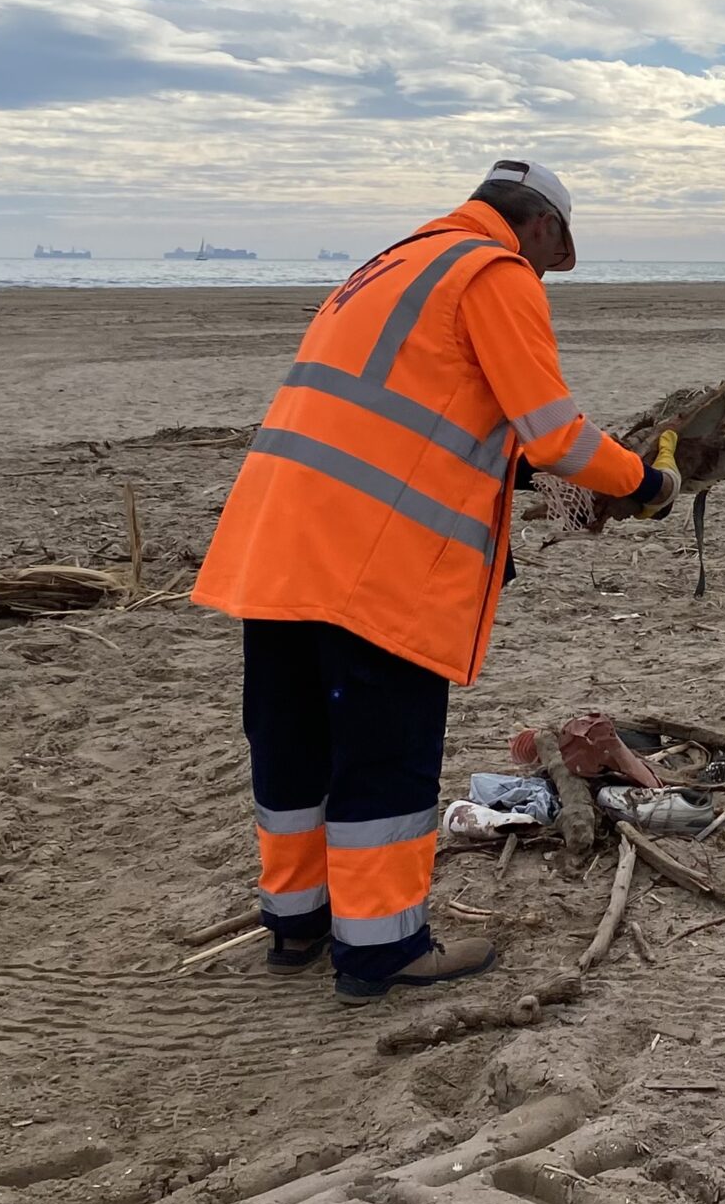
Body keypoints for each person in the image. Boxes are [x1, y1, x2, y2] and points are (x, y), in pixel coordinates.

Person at [192, 160, 679, 1004]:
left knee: (293, 746)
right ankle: (381, 950)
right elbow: (556, 435)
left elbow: (430, 420)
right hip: (373, 567)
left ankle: (298, 925)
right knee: (383, 759)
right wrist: (645, 484)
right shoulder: (492, 273)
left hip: (276, 546)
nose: (546, 273)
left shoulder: (387, 267)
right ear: (535, 227)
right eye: (552, 254)